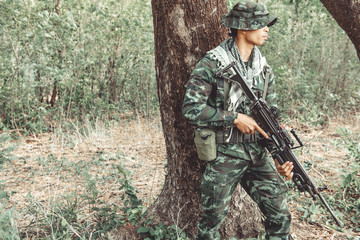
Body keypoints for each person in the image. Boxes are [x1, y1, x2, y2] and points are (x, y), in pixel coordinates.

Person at [182, 1, 294, 240]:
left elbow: (271, 117)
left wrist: (280, 158)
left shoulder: (263, 69)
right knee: (211, 222)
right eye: (261, 24)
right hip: (225, 155)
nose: (267, 29)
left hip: (257, 156)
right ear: (243, 28)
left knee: (280, 216)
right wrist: (234, 118)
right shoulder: (213, 63)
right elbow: (191, 108)